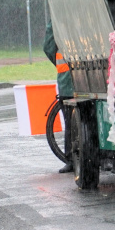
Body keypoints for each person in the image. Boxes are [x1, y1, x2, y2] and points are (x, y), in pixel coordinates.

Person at [43, 17, 74, 174]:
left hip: (68, 82)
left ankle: (71, 159)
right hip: (94, 79)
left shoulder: (58, 16)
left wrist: (59, 63)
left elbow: (48, 46)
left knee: (71, 124)